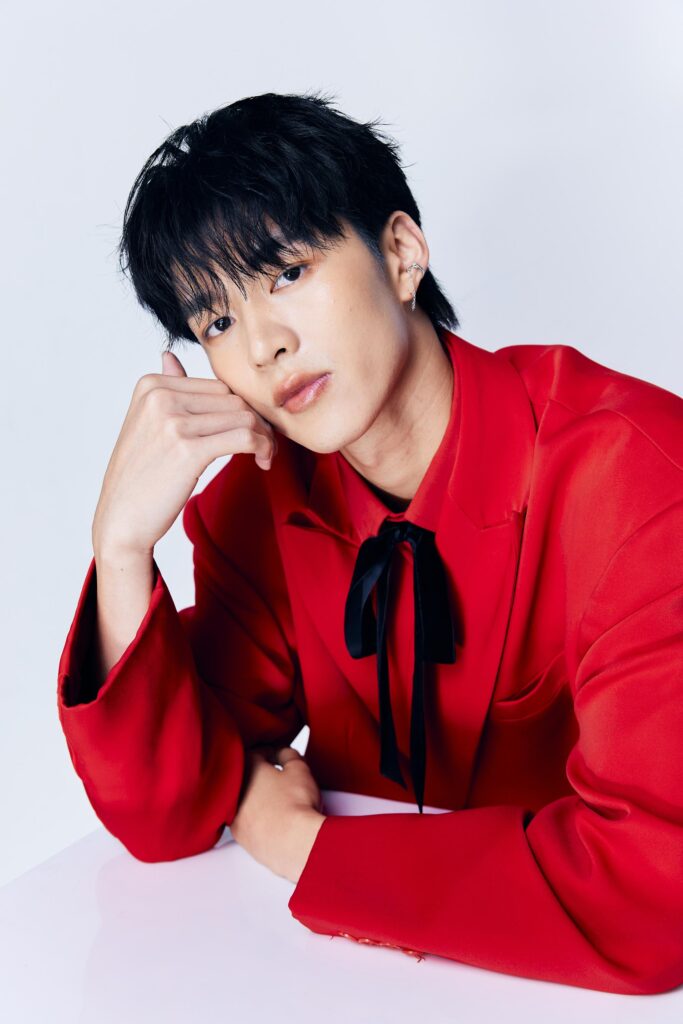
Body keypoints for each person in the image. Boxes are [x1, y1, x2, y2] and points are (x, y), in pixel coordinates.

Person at [57, 90, 683, 995]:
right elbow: (170, 815)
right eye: (216, 321)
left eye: (286, 272)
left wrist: (303, 845)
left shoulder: (639, 481)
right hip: (345, 988)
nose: (263, 347)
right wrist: (120, 549)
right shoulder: (254, 504)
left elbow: (654, 894)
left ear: (400, 254)